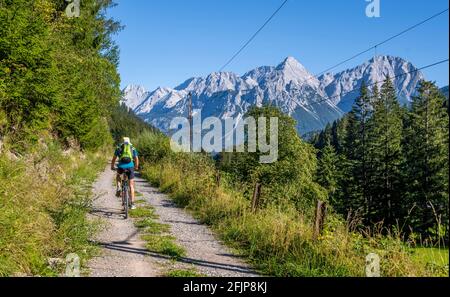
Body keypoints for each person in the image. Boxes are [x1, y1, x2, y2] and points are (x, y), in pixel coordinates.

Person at [111, 137, 139, 210]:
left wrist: (112, 166)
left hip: (121, 166)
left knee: (118, 175)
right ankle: (132, 204)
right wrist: (136, 167)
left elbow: (114, 158)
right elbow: (136, 158)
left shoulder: (119, 147)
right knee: (131, 185)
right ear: (129, 142)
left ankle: (119, 187)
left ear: (123, 142)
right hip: (130, 167)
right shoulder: (132, 148)